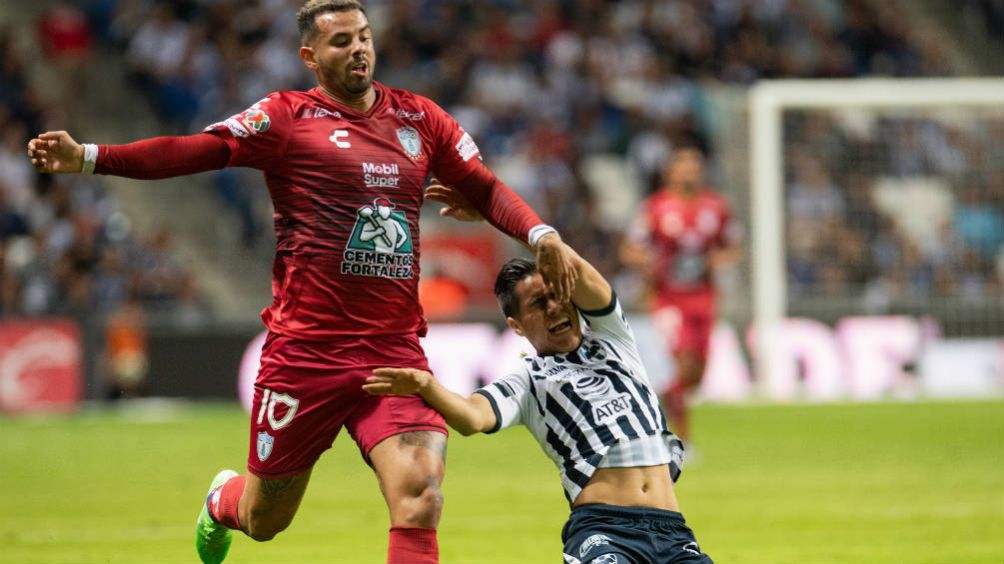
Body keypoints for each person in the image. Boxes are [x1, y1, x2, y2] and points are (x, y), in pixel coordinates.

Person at [26, 2, 576, 563]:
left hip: (392, 348)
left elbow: (481, 187)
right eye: (341, 42)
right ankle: (222, 501)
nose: (358, 49)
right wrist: (91, 157)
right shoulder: (286, 118)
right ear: (310, 57)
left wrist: (541, 234)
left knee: (420, 493)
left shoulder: (421, 120)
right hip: (306, 353)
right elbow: (199, 151)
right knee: (266, 520)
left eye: (363, 37)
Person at [363, 202, 713, 562]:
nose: (555, 308)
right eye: (538, 304)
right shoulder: (528, 381)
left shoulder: (613, 337)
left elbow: (572, 265)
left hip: (673, 530)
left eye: (557, 295)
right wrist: (425, 385)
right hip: (605, 532)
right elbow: (472, 417)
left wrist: (501, 217)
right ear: (516, 325)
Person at [619, 147, 739, 443]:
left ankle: (658, 397)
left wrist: (717, 260)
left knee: (697, 373)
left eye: (695, 166)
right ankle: (682, 439)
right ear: (670, 172)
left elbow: (733, 245)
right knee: (682, 361)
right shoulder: (655, 208)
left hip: (704, 296)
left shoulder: (716, 206)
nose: (690, 172)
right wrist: (647, 261)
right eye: (683, 166)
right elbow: (630, 249)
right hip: (669, 298)